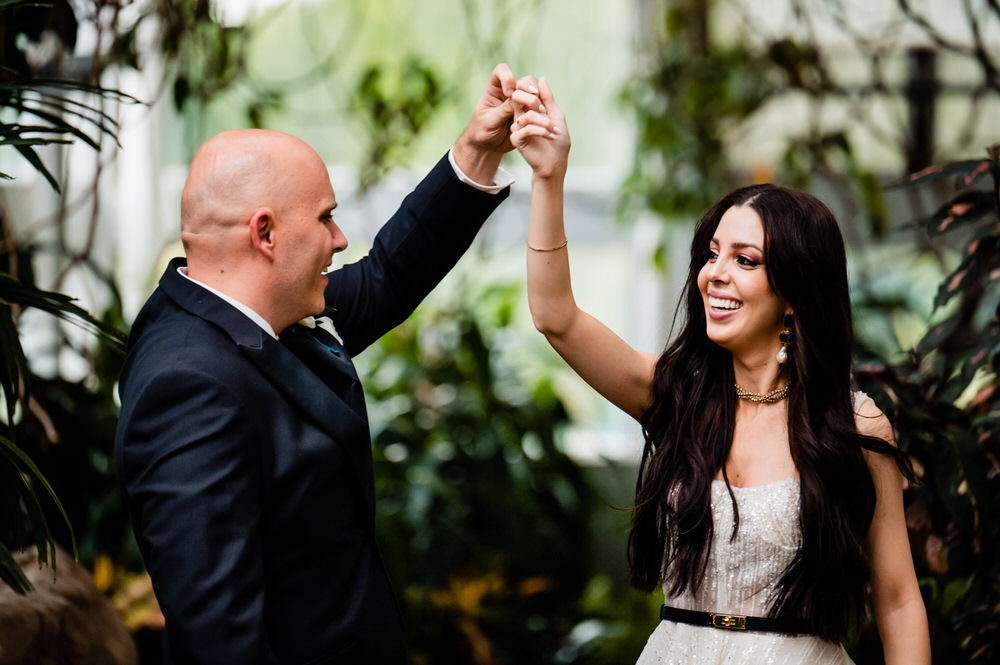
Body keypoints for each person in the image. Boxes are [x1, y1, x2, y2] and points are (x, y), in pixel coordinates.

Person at [114, 64, 544, 665]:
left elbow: (387, 276)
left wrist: (476, 150)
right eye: (324, 218)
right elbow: (221, 639)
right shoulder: (188, 387)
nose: (341, 239)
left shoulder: (251, 309)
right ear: (264, 232)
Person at [509, 78, 931, 664]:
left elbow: (897, 599)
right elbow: (555, 317)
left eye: (745, 259)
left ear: (794, 291)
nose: (716, 274)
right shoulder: (677, 395)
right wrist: (549, 177)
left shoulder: (851, 425)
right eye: (712, 253)